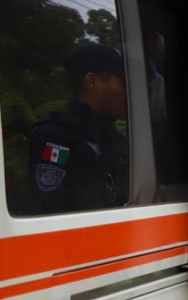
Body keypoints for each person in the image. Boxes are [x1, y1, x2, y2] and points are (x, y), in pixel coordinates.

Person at [26, 42, 129, 214]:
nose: (128, 91)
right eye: (122, 82)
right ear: (93, 81)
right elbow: (50, 215)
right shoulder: (56, 139)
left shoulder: (115, 138)